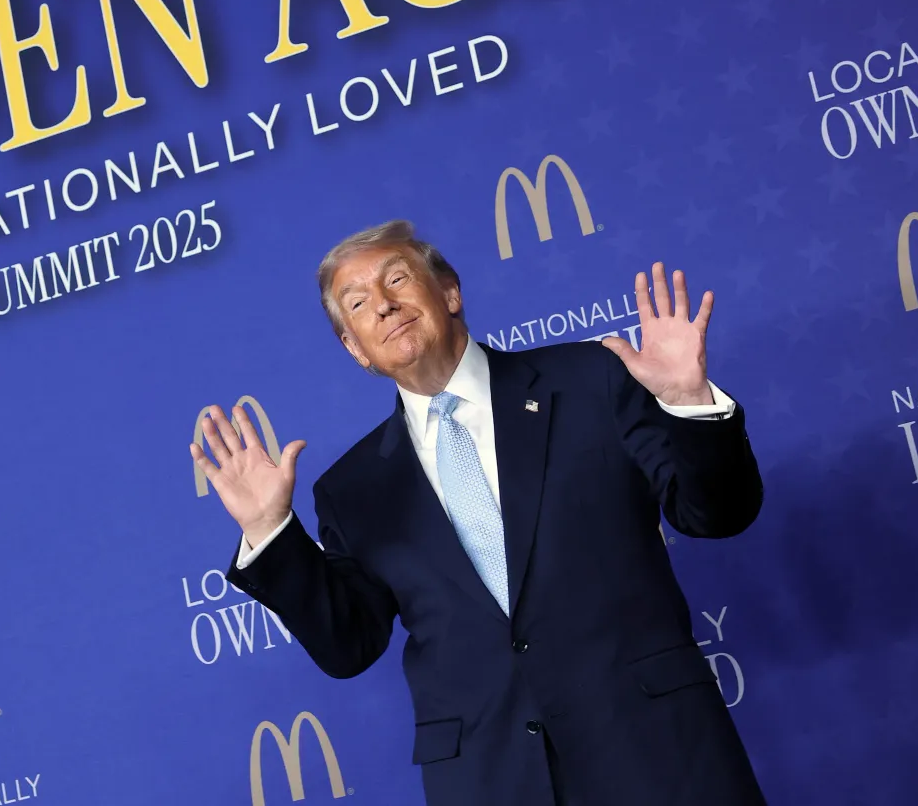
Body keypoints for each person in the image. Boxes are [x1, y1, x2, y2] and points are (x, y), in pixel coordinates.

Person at [190, 221, 767, 806]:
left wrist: (689, 403)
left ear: (449, 293)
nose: (385, 306)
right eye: (359, 304)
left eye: (397, 280)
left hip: (658, 756)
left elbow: (717, 513)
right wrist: (270, 531)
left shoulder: (591, 378)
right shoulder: (354, 487)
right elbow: (349, 646)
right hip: (492, 781)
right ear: (355, 347)